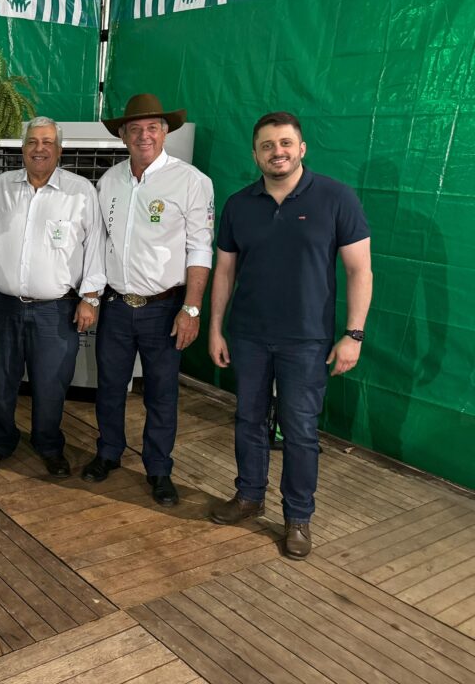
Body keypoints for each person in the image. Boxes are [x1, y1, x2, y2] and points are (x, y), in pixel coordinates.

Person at [208, 111, 372, 560]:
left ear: (301, 149)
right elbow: (224, 271)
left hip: (307, 341)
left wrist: (353, 334)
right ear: (255, 154)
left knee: (299, 430)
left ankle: (298, 518)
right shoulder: (239, 204)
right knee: (248, 420)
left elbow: (360, 270)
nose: (276, 152)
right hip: (249, 336)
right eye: (267, 145)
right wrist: (216, 328)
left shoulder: (337, 198)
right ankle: (249, 496)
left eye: (284, 143)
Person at [82, 94, 215, 508]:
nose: (144, 136)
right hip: (116, 305)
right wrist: (93, 296)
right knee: (109, 386)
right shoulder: (109, 181)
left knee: (161, 392)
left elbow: (200, 248)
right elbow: (98, 243)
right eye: (135, 129)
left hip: (165, 308)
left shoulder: (191, 181)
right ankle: (108, 452)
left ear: (165, 132)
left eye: (152, 128)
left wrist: (191, 308)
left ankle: (158, 468)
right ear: (123, 135)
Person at [0, 117, 106, 477]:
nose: (39, 149)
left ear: (59, 150)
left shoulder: (80, 191)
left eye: (47, 142)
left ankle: (49, 445)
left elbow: (96, 246)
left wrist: (90, 297)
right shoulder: (0, 187)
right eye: (32, 141)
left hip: (56, 310)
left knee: (51, 384)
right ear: (23, 148)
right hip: (1, 305)